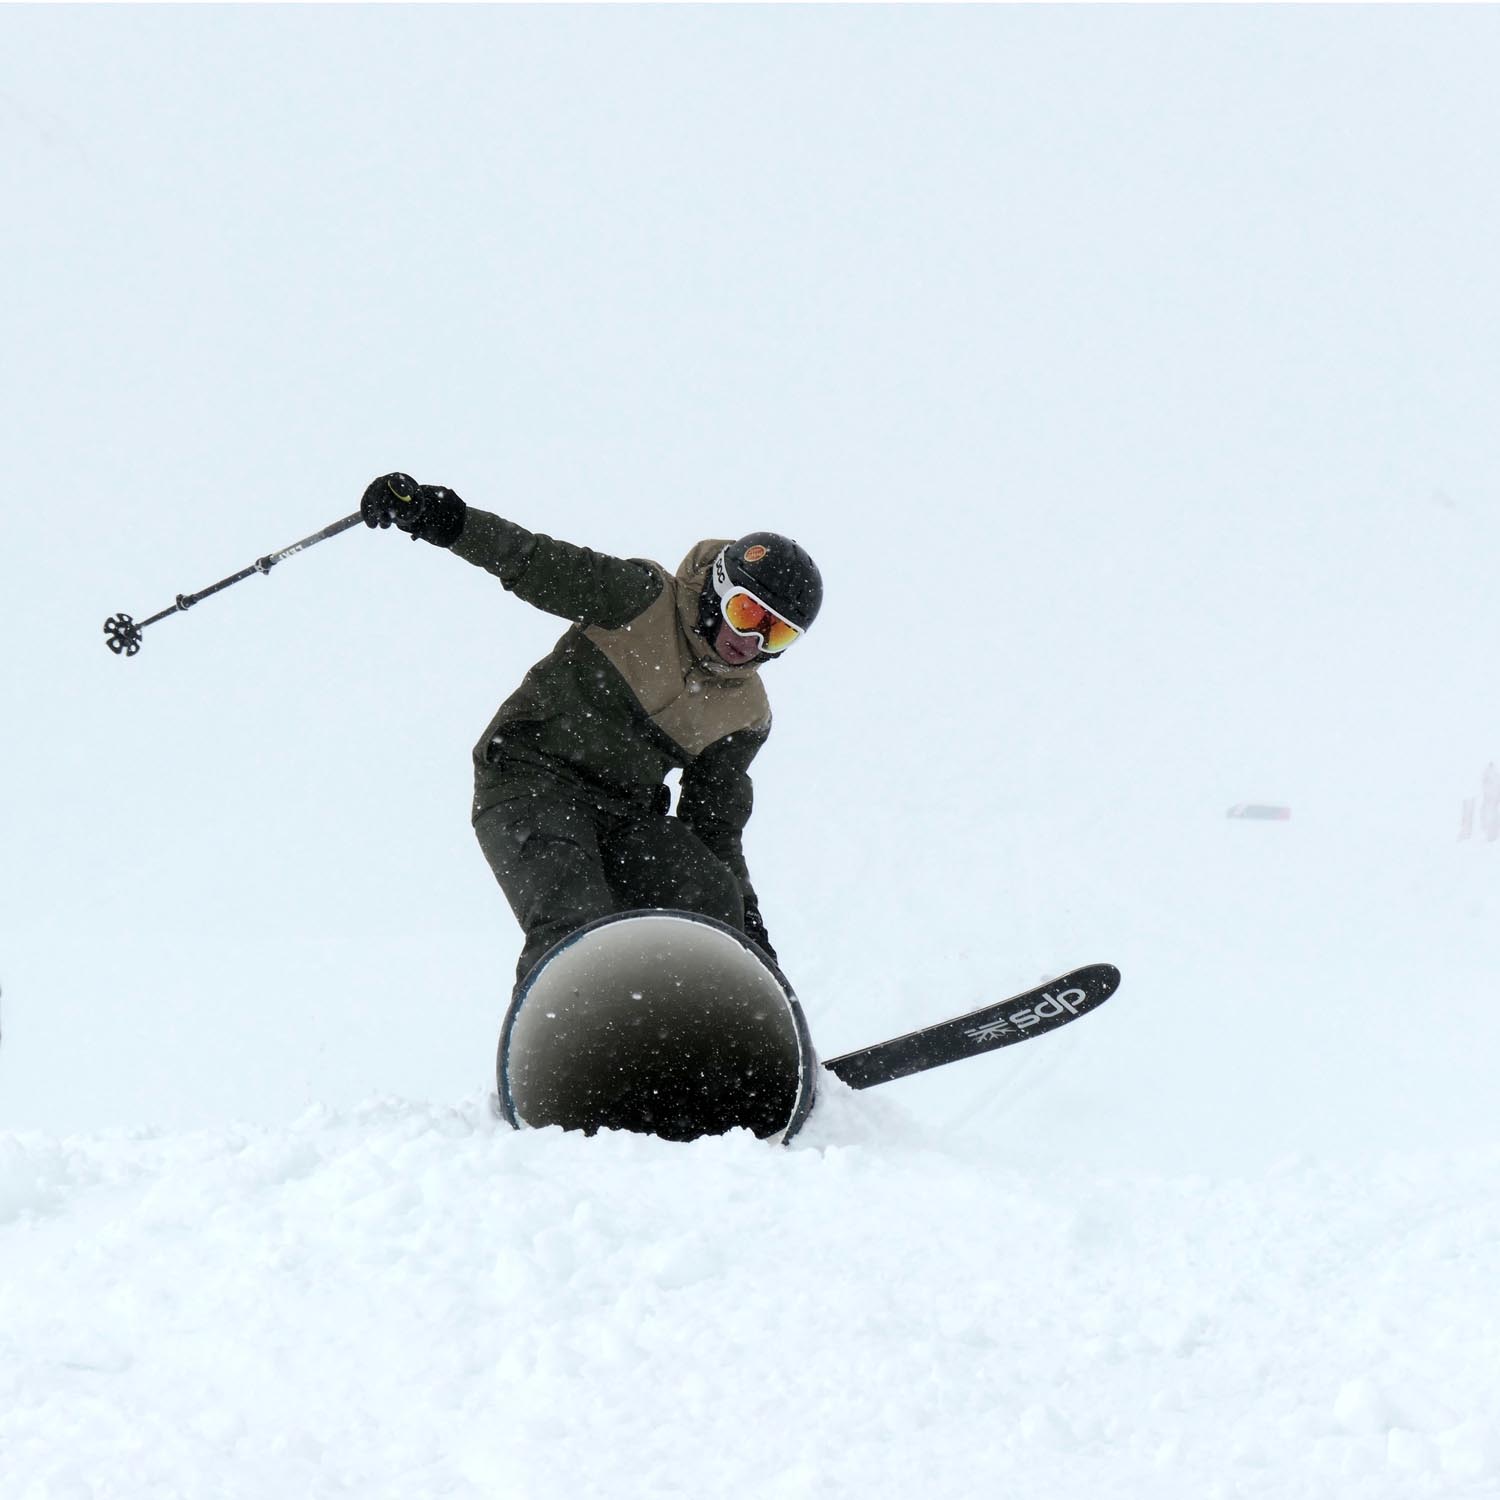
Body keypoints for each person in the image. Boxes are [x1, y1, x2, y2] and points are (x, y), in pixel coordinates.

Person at [360, 472, 823, 987]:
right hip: (530, 779)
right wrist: (442, 519)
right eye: (746, 613)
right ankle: (564, 1055)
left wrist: (748, 928)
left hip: (623, 818)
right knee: (577, 923)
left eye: (775, 632)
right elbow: (531, 560)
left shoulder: (744, 713)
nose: (750, 641)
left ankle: (706, 1043)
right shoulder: (640, 600)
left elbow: (715, 827)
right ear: (718, 588)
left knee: (710, 901)